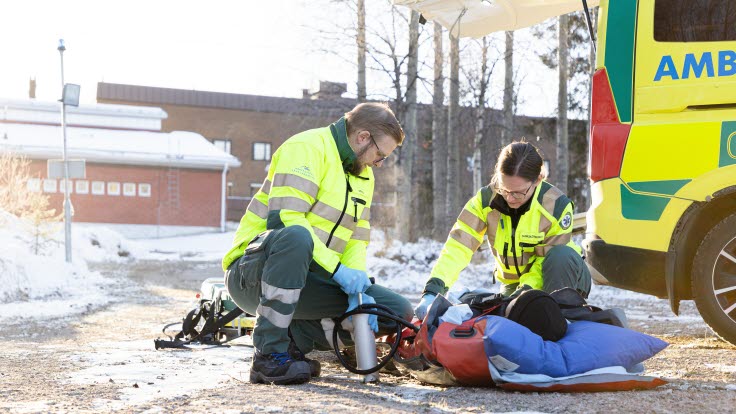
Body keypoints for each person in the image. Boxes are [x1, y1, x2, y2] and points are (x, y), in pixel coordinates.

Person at [223, 102, 413, 385]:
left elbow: (356, 238)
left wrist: (357, 288)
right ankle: (268, 354)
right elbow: (286, 220)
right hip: (253, 274)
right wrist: (338, 272)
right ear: (362, 137)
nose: (379, 163)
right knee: (296, 236)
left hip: (310, 278)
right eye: (379, 155)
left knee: (395, 312)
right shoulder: (306, 148)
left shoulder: (364, 176)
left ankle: (293, 341)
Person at [415, 140, 592, 320]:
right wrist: (433, 289)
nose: (510, 198)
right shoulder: (485, 201)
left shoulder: (557, 206)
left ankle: (563, 319)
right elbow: (458, 246)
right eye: (504, 189)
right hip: (514, 285)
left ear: (538, 180)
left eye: (518, 192)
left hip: (562, 275)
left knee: (559, 258)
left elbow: (543, 262)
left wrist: (524, 294)